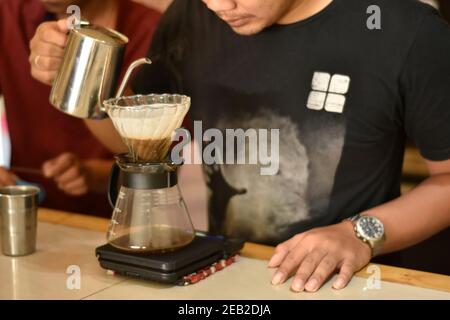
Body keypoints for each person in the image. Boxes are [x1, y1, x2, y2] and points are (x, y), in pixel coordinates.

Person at [30, 0, 450, 292]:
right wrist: (75, 77)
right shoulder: (190, 16)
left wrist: (357, 234)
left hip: (349, 285)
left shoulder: (405, 31)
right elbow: (140, 144)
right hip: (228, 279)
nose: (217, 6)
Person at [0, 0, 160, 216]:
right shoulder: (9, 14)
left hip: (118, 223)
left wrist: (97, 175)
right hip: (29, 219)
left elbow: (158, 165)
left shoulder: (153, 31)